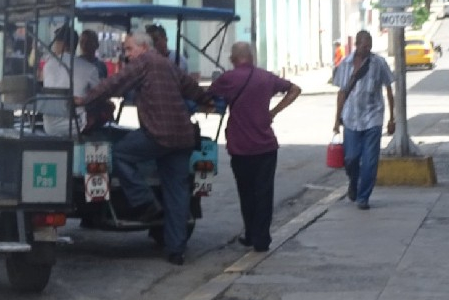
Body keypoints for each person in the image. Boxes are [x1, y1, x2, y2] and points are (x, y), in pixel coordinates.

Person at [77, 30, 205, 265]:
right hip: (182, 137)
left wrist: (84, 100)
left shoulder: (144, 63)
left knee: (118, 155)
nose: (127, 55)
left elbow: (113, 84)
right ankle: (176, 250)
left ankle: (145, 201)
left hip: (158, 134)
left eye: (128, 49)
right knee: (176, 192)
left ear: (143, 47)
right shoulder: (168, 64)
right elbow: (192, 88)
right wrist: (207, 99)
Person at [207, 41, 302, 252]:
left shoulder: (228, 79)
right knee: (264, 193)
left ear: (233, 59)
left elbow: (207, 96)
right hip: (266, 146)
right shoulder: (266, 77)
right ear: (251, 57)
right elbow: (295, 89)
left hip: (240, 148)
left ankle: (251, 233)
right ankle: (262, 238)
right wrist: (273, 112)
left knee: (246, 192)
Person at [333, 30, 394, 210]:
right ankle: (354, 181)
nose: (367, 49)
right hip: (351, 118)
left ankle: (363, 197)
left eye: (369, 46)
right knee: (351, 158)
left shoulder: (379, 63)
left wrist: (392, 118)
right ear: (356, 45)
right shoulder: (345, 64)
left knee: (369, 161)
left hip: (373, 117)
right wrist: (336, 120)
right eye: (364, 46)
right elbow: (341, 93)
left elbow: (389, 90)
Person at [41, 26, 100, 136]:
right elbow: (99, 94)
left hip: (49, 127)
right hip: (76, 126)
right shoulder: (90, 68)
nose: (54, 46)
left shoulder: (48, 65)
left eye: (56, 42)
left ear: (62, 44)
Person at [77, 29, 115, 131]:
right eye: (82, 42)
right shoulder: (76, 64)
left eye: (89, 42)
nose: (85, 45)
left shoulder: (101, 66)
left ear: (96, 45)